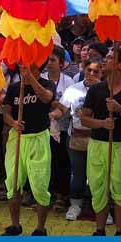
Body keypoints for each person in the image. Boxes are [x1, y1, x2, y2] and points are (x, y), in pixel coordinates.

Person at [80, 49, 121, 236]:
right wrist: (103, 123)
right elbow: (85, 119)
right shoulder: (96, 89)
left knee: (120, 188)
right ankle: (99, 230)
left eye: (111, 58)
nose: (105, 60)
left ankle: (120, 232)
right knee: (98, 188)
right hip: (97, 144)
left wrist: (120, 109)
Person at [2, 64, 56, 236]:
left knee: (39, 185)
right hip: (17, 139)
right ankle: (15, 225)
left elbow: (47, 98)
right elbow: (6, 113)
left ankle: (40, 228)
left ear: (37, 68)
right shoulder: (13, 88)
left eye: (30, 68)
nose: (24, 70)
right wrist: (12, 123)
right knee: (12, 183)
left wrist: (30, 80)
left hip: (38, 138)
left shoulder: (47, 84)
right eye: (23, 68)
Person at [58, 58, 102, 221]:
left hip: (98, 140)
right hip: (76, 138)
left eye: (95, 71)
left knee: (97, 175)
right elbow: (62, 109)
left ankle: (100, 207)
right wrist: (54, 114)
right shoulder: (73, 89)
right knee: (78, 174)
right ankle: (75, 205)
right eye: (88, 70)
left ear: (102, 73)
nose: (90, 74)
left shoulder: (106, 90)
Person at [44, 46, 75, 212]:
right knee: (44, 161)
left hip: (61, 128)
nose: (49, 63)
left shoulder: (68, 82)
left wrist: (53, 105)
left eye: (53, 60)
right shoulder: (41, 78)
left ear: (62, 63)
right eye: (47, 60)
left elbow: (66, 106)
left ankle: (61, 195)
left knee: (61, 162)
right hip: (42, 127)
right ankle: (43, 193)